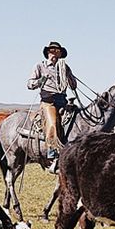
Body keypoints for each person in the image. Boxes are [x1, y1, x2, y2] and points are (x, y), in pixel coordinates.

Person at [27, 41, 77, 173]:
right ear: (48, 53)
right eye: (52, 51)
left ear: (60, 54)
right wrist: (41, 80)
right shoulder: (40, 66)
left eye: (57, 51)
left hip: (63, 100)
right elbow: (30, 84)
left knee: (76, 121)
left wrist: (69, 77)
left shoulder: (64, 67)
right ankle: (53, 156)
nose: (54, 53)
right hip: (48, 101)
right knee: (52, 123)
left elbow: (73, 86)